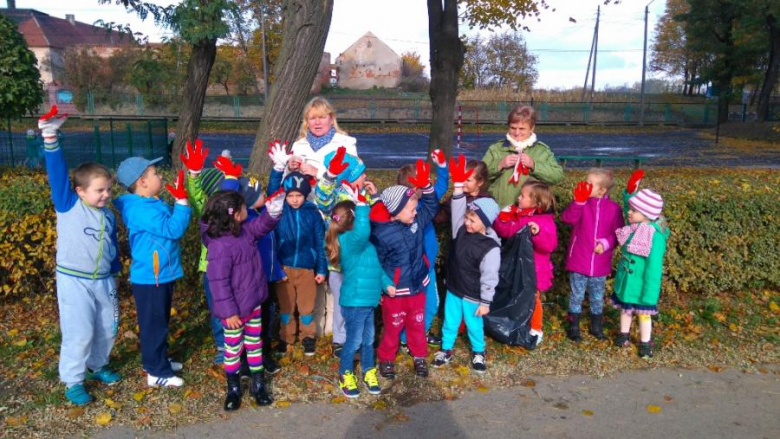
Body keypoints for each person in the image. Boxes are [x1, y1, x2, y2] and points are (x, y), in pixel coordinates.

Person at [39, 106, 121, 406]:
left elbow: (111, 247)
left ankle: (98, 365)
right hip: (74, 281)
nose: (105, 195)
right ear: (80, 191)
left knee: (108, 327)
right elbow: (57, 173)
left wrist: (114, 271)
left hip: (103, 281)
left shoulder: (108, 216)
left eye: (109, 189)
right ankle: (73, 380)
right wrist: (50, 136)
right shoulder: (68, 205)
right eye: (99, 190)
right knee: (80, 330)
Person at [201, 189, 285, 410]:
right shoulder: (220, 245)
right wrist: (228, 313)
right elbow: (218, 282)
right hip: (234, 313)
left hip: (253, 305)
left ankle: (258, 385)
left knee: (254, 345)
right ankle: (234, 388)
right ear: (235, 215)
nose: (246, 209)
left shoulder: (244, 232)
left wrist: (273, 212)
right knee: (233, 349)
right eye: (242, 207)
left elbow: (261, 226)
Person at [114, 159, 191, 388]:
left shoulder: (149, 203)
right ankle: (157, 372)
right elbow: (173, 229)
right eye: (155, 173)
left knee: (159, 321)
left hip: (159, 274)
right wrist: (182, 203)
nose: (160, 177)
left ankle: (156, 360)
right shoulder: (140, 210)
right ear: (142, 182)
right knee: (154, 325)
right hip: (151, 277)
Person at [370, 160, 439, 379]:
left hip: (417, 286)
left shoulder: (416, 221)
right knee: (393, 326)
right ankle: (386, 359)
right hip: (396, 291)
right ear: (396, 211)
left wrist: (426, 187)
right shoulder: (382, 234)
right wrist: (384, 285)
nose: (415, 212)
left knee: (417, 325)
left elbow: (431, 207)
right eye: (410, 209)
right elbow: (377, 263)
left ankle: (419, 356)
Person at [432, 155, 501, 373]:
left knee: (474, 325)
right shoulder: (459, 229)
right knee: (450, 321)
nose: (467, 222)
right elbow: (458, 207)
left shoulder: (491, 247)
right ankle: (446, 348)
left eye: (473, 220)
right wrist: (459, 186)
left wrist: (486, 302)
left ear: (486, 223)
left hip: (473, 294)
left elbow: (490, 277)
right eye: (467, 218)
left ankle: (479, 351)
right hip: (454, 288)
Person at [325, 195, 395, 398]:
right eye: (362, 218)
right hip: (355, 302)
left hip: (367, 302)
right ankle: (345, 374)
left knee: (368, 340)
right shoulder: (348, 242)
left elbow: (376, 269)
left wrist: (387, 284)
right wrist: (363, 206)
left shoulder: (366, 247)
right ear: (354, 221)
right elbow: (363, 230)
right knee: (354, 341)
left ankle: (367, 370)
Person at [312, 146, 378, 357]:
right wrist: (330, 176)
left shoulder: (363, 194)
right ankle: (340, 340)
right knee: (342, 304)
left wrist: (373, 198)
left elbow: (373, 220)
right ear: (349, 176)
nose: (365, 176)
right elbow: (322, 198)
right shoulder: (337, 196)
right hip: (339, 264)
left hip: (359, 264)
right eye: (361, 173)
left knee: (359, 303)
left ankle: (358, 339)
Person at [561, 168, 625, 342]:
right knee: (576, 295)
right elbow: (567, 219)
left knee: (597, 297)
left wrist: (605, 243)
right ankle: (574, 327)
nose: (584, 185)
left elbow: (619, 234)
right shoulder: (582, 204)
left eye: (589, 184)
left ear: (602, 190)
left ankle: (596, 326)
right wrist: (578, 202)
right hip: (579, 259)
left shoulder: (613, 209)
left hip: (600, 262)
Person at [492, 180, 558, 347]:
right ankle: (517, 322)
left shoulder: (544, 221)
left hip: (534, 270)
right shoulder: (520, 215)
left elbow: (550, 245)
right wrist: (503, 219)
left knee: (533, 299)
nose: (518, 198)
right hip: (517, 268)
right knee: (517, 296)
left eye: (523, 196)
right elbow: (506, 232)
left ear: (535, 201)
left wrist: (538, 233)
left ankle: (536, 328)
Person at [394, 150, 449, 347]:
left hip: (428, 267)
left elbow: (442, 186)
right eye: (422, 184)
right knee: (409, 306)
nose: (427, 187)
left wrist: (442, 166)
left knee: (431, 304)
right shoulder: (398, 211)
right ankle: (407, 339)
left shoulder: (427, 202)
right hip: (409, 269)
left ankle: (416, 335)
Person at [612, 171, 669, 359]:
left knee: (644, 315)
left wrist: (650, 293)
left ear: (646, 215)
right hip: (627, 282)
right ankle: (624, 335)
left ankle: (645, 343)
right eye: (629, 209)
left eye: (633, 211)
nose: (628, 212)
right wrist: (630, 192)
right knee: (625, 311)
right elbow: (628, 208)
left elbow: (654, 269)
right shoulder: (634, 227)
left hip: (642, 287)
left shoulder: (654, 236)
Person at [275, 171, 328, 356]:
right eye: (291, 196)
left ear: (305, 195)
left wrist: (321, 268)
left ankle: (308, 337)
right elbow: (273, 188)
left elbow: (320, 242)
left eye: (299, 195)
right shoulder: (280, 210)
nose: (295, 200)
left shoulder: (312, 214)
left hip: (307, 268)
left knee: (306, 307)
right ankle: (286, 337)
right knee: (286, 307)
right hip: (284, 268)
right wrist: (278, 168)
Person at [482, 105, 564, 208]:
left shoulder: (542, 151)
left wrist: (534, 165)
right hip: (499, 209)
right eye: (513, 128)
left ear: (532, 128)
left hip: (529, 212)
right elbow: (479, 175)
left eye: (522, 128)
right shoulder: (496, 149)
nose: (516, 133)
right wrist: (499, 165)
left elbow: (557, 176)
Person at [288, 97, 358, 179]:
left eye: (322, 117)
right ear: (307, 122)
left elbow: (353, 177)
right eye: (312, 118)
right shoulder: (298, 145)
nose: (317, 122)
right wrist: (289, 168)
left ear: (332, 119)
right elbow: (285, 183)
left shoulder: (346, 143)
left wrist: (318, 173)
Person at [434, 159, 492, 225]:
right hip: (460, 234)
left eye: (468, 180)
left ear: (480, 182)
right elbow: (442, 215)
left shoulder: (487, 200)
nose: (463, 182)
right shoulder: (457, 196)